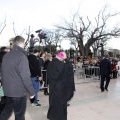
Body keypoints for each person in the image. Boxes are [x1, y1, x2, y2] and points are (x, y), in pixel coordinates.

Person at [0, 36, 35, 120]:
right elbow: (26, 77)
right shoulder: (22, 57)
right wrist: (31, 92)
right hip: (18, 92)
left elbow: (2, 73)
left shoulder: (6, 56)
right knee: (19, 115)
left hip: (8, 91)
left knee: (6, 111)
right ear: (21, 43)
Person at [47, 52, 75, 120]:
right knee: (60, 104)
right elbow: (70, 68)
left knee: (53, 102)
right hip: (60, 88)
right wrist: (66, 59)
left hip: (52, 86)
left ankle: (52, 116)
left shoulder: (50, 63)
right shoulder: (62, 64)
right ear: (62, 57)